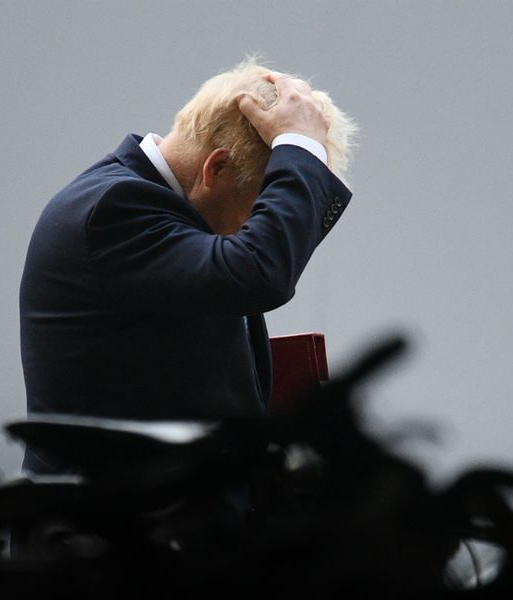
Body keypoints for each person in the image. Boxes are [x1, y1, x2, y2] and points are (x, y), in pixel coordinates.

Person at [19, 60, 354, 474]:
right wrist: (298, 148)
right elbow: (258, 273)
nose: (255, 231)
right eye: (256, 211)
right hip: (113, 530)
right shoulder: (114, 208)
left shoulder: (146, 206)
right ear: (216, 168)